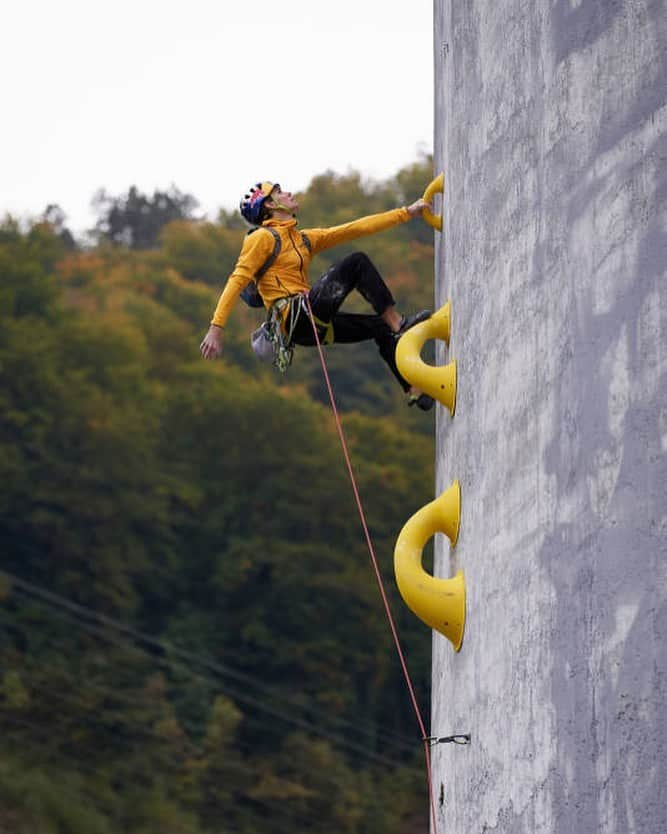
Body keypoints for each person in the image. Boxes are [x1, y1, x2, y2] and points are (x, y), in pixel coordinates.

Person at [200, 181, 434, 410]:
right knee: (357, 263)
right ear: (270, 205)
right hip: (295, 315)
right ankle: (398, 324)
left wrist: (406, 213)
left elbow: (354, 229)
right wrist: (216, 327)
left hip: (308, 327)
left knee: (379, 328)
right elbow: (237, 280)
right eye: (280, 192)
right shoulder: (261, 238)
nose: (288, 193)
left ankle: (412, 389)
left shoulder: (302, 239)